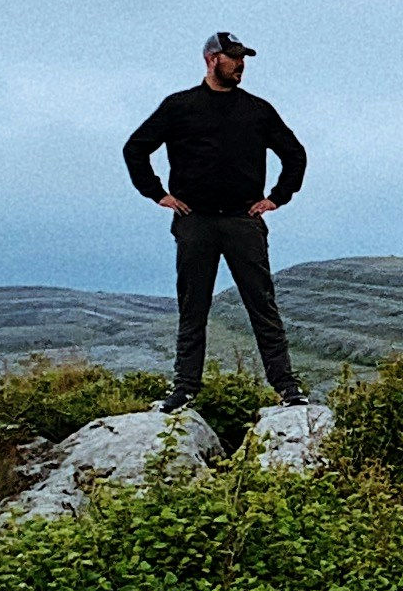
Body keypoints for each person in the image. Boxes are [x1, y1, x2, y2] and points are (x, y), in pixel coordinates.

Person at [123, 31, 309, 408]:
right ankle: (184, 389)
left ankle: (287, 388)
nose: (240, 64)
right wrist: (158, 194)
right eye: (233, 57)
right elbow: (136, 148)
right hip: (195, 221)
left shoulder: (257, 109)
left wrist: (276, 198)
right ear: (212, 59)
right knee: (193, 308)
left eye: (243, 58)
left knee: (262, 306)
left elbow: (295, 154)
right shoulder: (179, 106)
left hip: (243, 220)